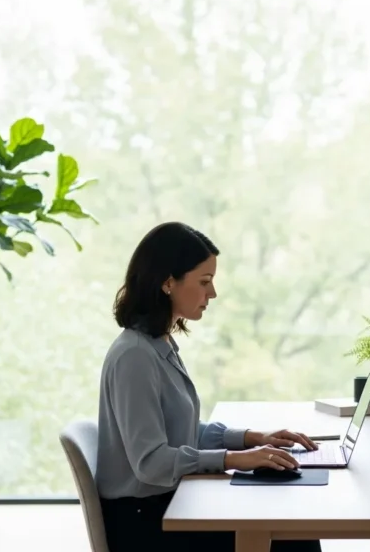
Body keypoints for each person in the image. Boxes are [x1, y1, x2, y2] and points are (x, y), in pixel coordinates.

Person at [95, 221, 323, 552]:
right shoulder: (135, 356)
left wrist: (252, 439)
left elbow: (179, 430)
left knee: (288, 523)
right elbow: (152, 462)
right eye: (204, 282)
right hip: (146, 525)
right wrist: (234, 459)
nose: (212, 293)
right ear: (168, 282)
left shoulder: (159, 345)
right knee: (289, 538)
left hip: (166, 504)